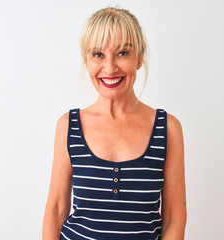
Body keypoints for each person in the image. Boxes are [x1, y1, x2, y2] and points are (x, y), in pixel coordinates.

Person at [43, 6, 187, 240]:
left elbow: (173, 218)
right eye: (98, 54)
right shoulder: (68, 125)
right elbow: (56, 210)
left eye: (122, 53)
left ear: (139, 58)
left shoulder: (168, 128)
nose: (110, 68)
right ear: (87, 60)